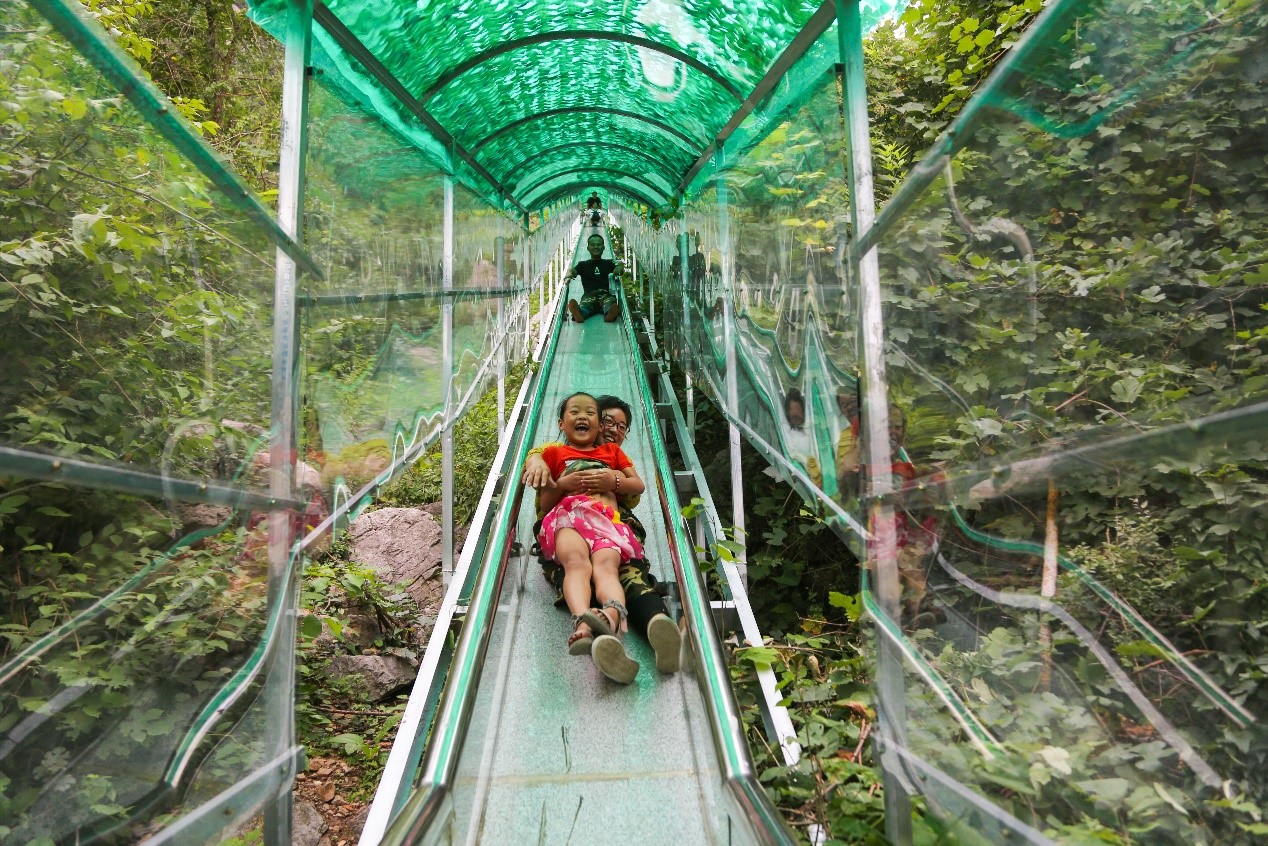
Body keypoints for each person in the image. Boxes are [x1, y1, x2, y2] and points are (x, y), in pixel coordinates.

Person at [523, 395, 682, 675]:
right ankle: (589, 624)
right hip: (568, 522)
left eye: (622, 426)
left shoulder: (613, 456)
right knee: (577, 565)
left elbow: (636, 487)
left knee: (614, 570)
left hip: (609, 526)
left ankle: (626, 620)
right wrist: (542, 465)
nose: (613, 429)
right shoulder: (555, 451)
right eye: (608, 420)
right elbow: (541, 465)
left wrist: (613, 480)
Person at [564, 233, 621, 323]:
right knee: (586, 305)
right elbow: (573, 271)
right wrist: (569, 274)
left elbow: (618, 268)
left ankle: (610, 314)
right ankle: (579, 314)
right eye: (593, 245)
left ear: (603, 247)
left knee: (609, 303)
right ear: (588, 248)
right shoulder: (582, 265)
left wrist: (618, 270)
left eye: (599, 245)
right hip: (589, 295)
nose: (596, 247)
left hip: (605, 294)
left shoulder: (609, 263)